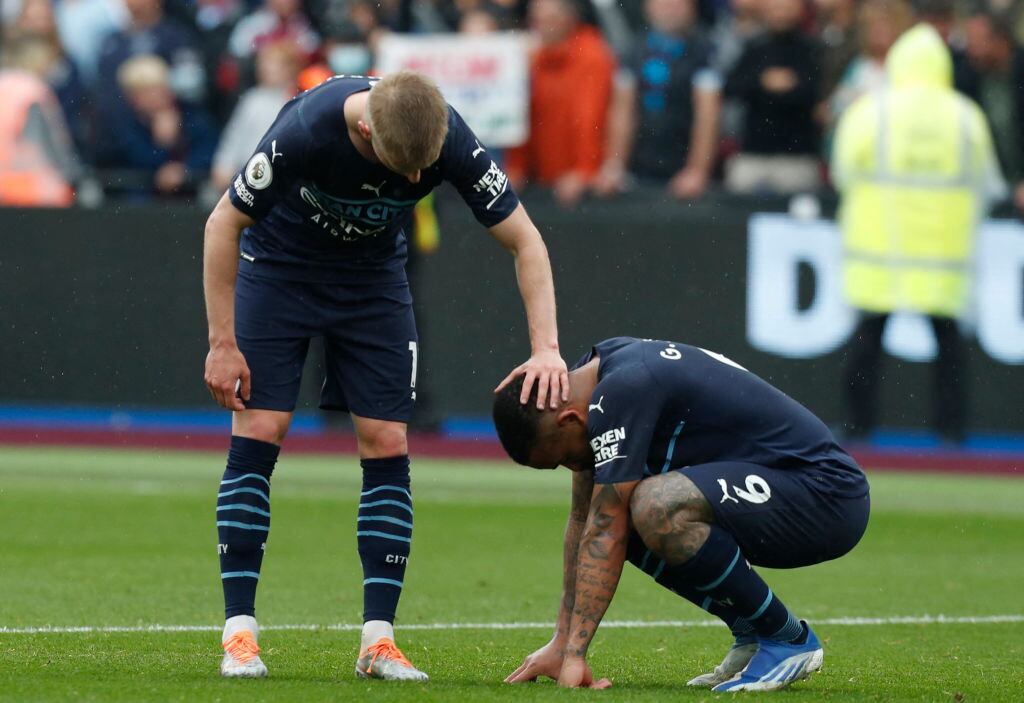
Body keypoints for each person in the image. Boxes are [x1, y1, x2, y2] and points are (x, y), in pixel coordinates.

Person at [203, 71, 568, 681]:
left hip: (371, 286)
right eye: (395, 166)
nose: (408, 182)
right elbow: (222, 223)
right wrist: (222, 343)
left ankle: (379, 641)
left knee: (388, 441)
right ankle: (239, 634)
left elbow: (526, 241)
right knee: (261, 427)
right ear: (366, 126)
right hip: (279, 273)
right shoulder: (305, 129)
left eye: (418, 172)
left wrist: (548, 349)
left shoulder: (448, 134)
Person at [493, 336, 870, 691]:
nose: (571, 467)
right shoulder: (591, 381)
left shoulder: (625, 387)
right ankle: (752, 633)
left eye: (563, 458)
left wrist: (576, 656)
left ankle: (787, 638)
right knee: (620, 508)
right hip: (779, 488)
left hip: (827, 495)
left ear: (569, 421)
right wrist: (561, 643)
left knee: (654, 504)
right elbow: (584, 520)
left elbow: (605, 528)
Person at [832, 24, 1005, 445]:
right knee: (949, 348)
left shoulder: (873, 110)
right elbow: (989, 182)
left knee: (866, 344)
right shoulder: (966, 116)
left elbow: (843, 170)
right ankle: (951, 434)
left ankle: (858, 431)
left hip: (879, 251)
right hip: (941, 255)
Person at [593, 0, 721, 200]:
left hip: (682, 168)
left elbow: (707, 116)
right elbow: (623, 112)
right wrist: (614, 166)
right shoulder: (634, 49)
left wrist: (697, 170)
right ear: (647, 6)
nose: (669, 7)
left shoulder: (704, 50)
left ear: (692, 7)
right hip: (640, 166)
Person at [504, 0, 616, 207]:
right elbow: (519, 113)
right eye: (537, 21)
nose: (541, 27)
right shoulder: (531, 57)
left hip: (581, 184)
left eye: (550, 19)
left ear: (569, 18)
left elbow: (590, 118)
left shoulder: (591, 55)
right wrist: (517, 167)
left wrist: (585, 171)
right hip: (542, 177)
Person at [724, 0, 823, 194]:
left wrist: (790, 86)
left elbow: (816, 92)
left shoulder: (811, 48)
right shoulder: (753, 47)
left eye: (787, 7)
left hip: (798, 156)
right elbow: (731, 87)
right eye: (776, 7)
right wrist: (763, 81)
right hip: (753, 153)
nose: (781, 14)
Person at [98, 54, 217, 196]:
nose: (157, 96)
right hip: (141, 200)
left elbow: (210, 151)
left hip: (189, 195)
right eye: (147, 92)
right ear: (132, 98)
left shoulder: (191, 115)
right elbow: (139, 163)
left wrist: (186, 170)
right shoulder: (122, 124)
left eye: (160, 88)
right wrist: (163, 144)